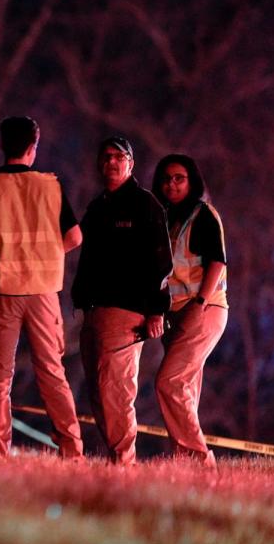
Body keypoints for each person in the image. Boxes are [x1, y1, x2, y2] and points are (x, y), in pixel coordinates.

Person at [0, 116, 84, 458]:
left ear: (2, 145)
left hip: (1, 291)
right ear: (33, 147)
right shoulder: (50, 186)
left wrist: (1, 261)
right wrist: (41, 254)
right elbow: (74, 236)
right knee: (52, 373)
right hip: (43, 292)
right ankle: (72, 450)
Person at [71, 136, 173, 465]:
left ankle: (124, 465)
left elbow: (162, 262)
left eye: (119, 156)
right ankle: (117, 461)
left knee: (115, 390)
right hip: (94, 312)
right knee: (99, 392)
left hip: (127, 311)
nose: (111, 162)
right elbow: (82, 252)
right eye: (106, 157)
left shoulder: (145, 205)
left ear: (131, 163)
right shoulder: (97, 207)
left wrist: (157, 309)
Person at [151, 154, 227, 467]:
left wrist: (199, 304)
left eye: (179, 178)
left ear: (192, 181)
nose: (172, 184)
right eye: (167, 178)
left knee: (168, 381)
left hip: (203, 310)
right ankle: (185, 462)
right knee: (185, 389)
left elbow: (217, 262)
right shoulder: (165, 218)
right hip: (174, 315)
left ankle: (198, 458)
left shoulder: (204, 215)